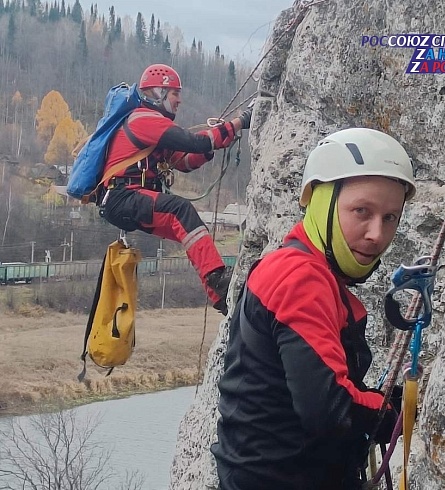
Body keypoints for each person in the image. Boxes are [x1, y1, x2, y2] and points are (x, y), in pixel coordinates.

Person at [211, 128, 415, 489]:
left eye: (390, 218)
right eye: (361, 211)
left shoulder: (300, 269)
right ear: (321, 202)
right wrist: (404, 411)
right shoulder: (300, 278)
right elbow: (330, 410)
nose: (376, 234)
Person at [99, 64, 253, 315]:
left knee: (189, 227)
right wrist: (239, 122)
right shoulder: (143, 119)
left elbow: (184, 161)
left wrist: (213, 145)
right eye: (175, 94)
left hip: (124, 198)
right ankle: (218, 280)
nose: (179, 100)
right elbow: (194, 141)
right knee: (180, 211)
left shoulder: (150, 125)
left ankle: (219, 295)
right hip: (122, 196)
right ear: (158, 93)